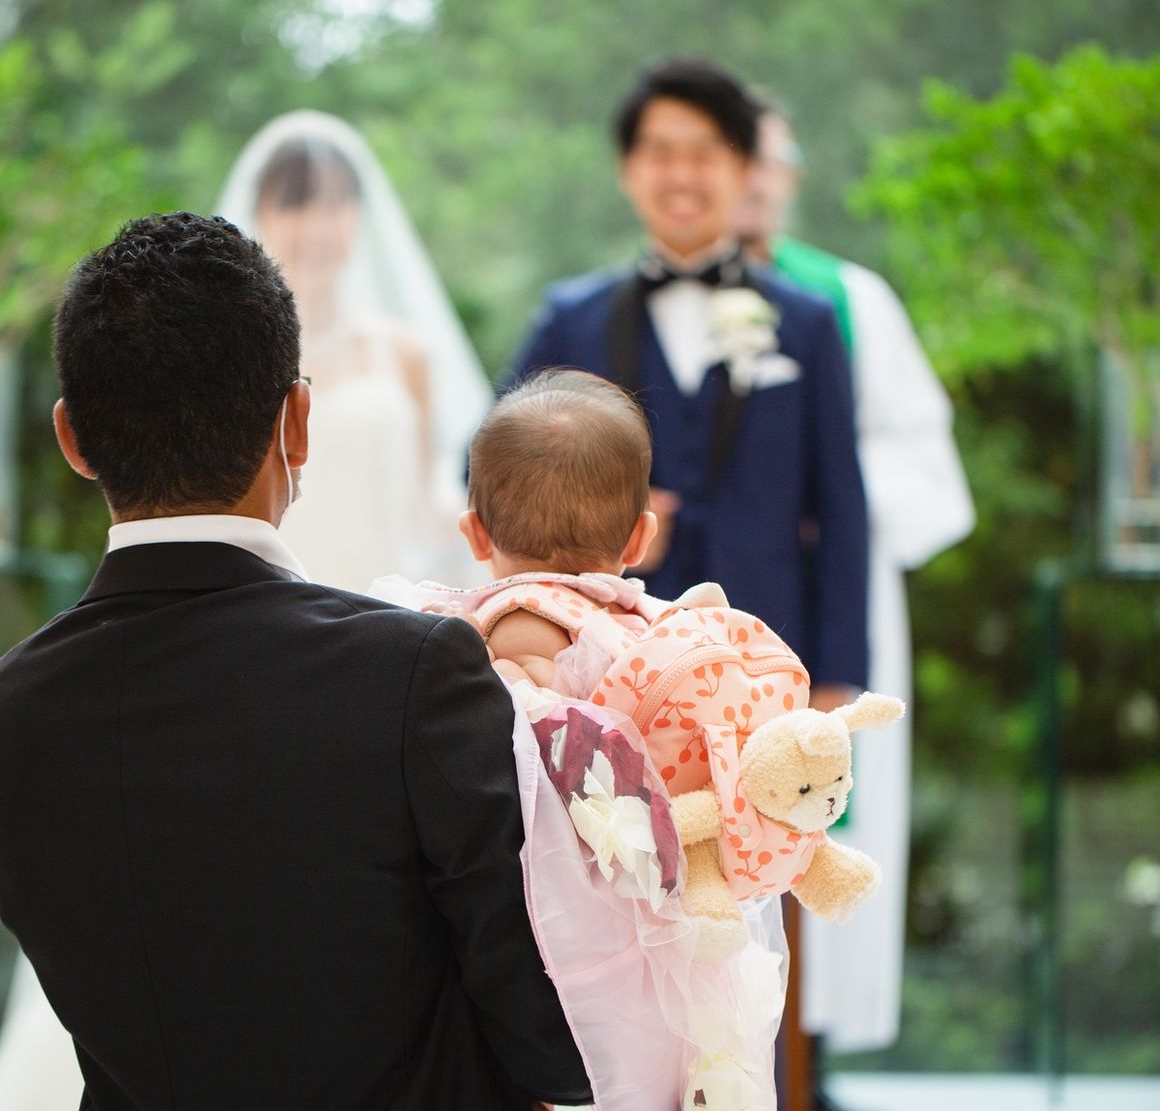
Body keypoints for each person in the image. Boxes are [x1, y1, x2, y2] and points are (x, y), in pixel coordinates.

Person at [0, 212, 591, 1110]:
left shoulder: (15, 711)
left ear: (72, 439)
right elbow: (557, 1043)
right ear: (299, 422)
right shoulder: (416, 672)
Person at [374, 369, 794, 1111]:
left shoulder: (512, 628)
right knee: (679, 1065)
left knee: (592, 1068)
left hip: (566, 916)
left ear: (475, 533)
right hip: (668, 907)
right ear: (641, 536)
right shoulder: (656, 629)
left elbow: (518, 753)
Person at [510, 57, 869, 714]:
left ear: (744, 168)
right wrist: (598, 508)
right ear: (628, 169)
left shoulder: (808, 323)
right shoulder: (571, 318)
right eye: (660, 154)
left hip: (767, 658)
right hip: (600, 664)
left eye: (704, 154)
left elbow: (843, 506)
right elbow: (487, 466)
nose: (681, 175)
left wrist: (836, 676)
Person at [732, 106, 976, 1059]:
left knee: (829, 796)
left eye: (768, 159)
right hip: (711, 590)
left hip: (832, 589)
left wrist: (820, 490)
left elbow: (924, 462)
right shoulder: (647, 305)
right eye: (734, 157)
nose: (753, 179)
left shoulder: (851, 298)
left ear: (790, 175)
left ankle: (811, 1048)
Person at [215, 109, 492, 592]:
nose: (318, 227)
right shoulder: (229, 356)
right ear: (259, 213)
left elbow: (426, 504)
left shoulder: (407, 354)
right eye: (296, 203)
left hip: (387, 604)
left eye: (336, 203)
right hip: (270, 600)